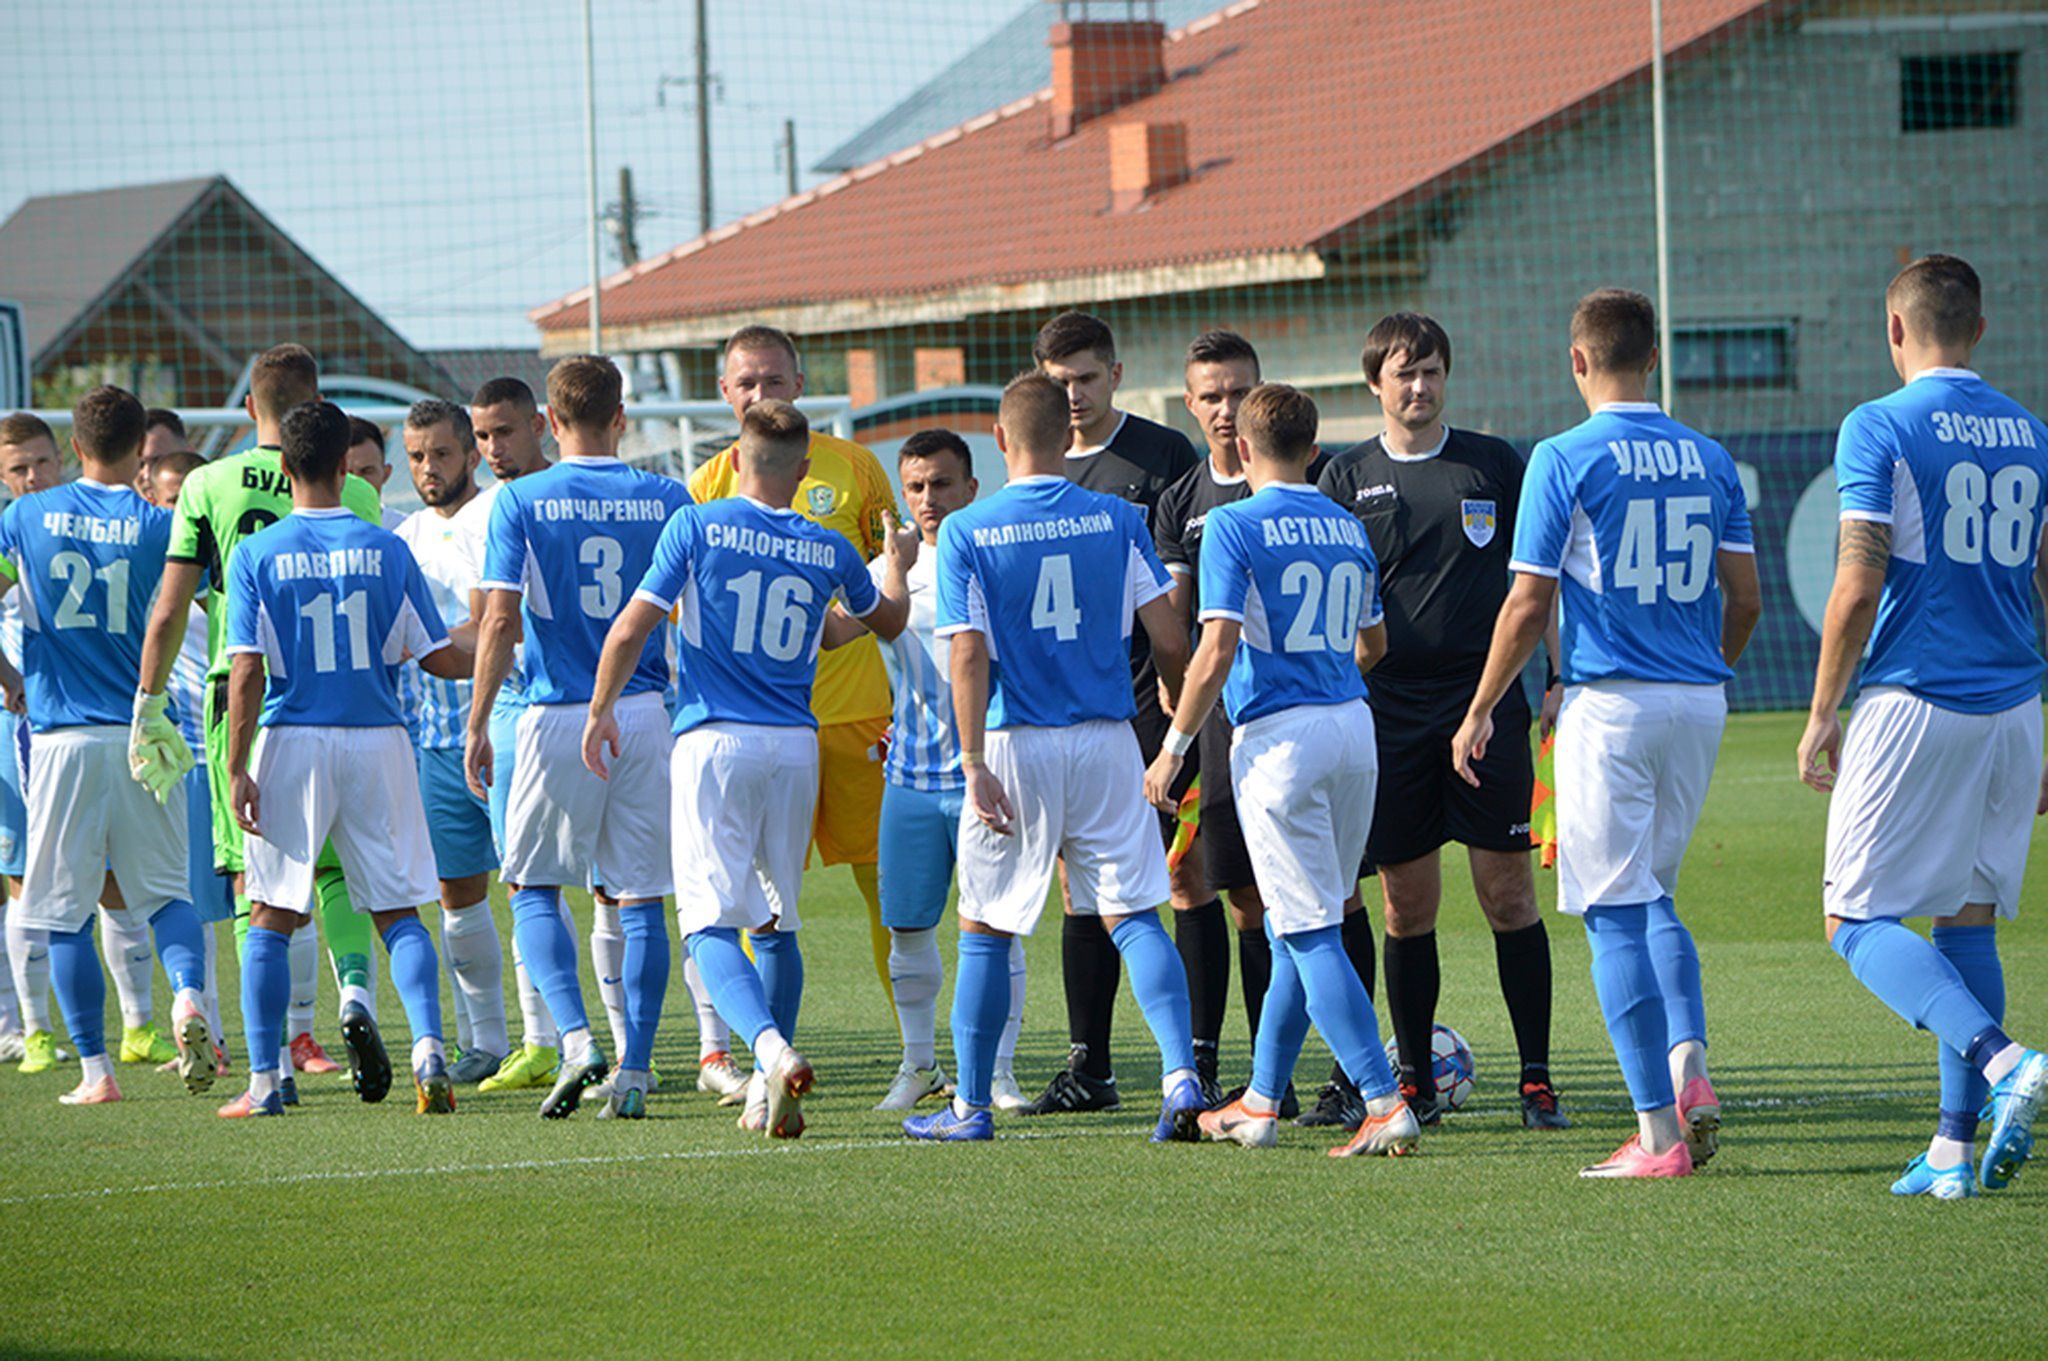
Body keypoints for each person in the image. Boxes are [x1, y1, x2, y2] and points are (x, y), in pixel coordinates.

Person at [1451, 288, 1761, 1178]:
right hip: (1698, 700)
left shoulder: (1563, 455)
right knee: (1654, 893)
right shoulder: (1711, 457)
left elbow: (1528, 602)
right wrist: (1702, 667)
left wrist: (1481, 707)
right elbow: (1744, 599)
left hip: (1613, 704)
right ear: (1653, 357)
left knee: (1613, 912)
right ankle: (1689, 1061)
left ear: (1578, 361)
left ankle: (1658, 1137)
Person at [1796, 254, 2048, 1198]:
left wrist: (1823, 709)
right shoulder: (2033, 434)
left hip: (1918, 699)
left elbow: (1858, 583)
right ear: (1978, 329)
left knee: (1854, 919)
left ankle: (2004, 1059)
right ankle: (1950, 1150)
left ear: (1894, 329)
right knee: (1966, 920)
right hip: (2015, 708)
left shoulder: (1880, 424)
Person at [589, 399, 910, 1134]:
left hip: (714, 740)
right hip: (795, 746)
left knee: (707, 923)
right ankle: (769, 1093)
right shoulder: (827, 546)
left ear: (735, 459)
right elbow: (873, 624)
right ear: (803, 470)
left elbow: (632, 627)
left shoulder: (696, 525)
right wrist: (893, 566)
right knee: (776, 921)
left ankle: (769, 1050)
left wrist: (601, 707)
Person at [904, 370, 1202, 1144]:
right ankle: (1180, 1076)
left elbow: (967, 653)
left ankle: (970, 1107)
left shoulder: (968, 529)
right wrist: (1176, 719)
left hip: (1015, 741)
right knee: (1133, 913)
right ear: (1068, 436)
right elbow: (1170, 638)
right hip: (1107, 737)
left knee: (985, 926)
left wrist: (972, 761)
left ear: (999, 439)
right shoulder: (1117, 518)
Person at [1144, 383, 1420, 1158]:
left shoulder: (1232, 523)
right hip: (1352, 727)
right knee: (1303, 920)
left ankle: (1382, 1100)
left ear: (1240, 448)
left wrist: (1173, 745)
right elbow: (1374, 644)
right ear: (1315, 447)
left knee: (1306, 927)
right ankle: (1262, 1100)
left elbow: (1216, 647)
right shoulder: (1346, 524)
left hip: (1280, 741)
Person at [1318, 313, 1569, 1131]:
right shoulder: (1345, 477)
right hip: (1387, 713)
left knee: (1509, 894)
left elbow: (1537, 582)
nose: (1419, 386)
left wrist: (1557, 673)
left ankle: (1536, 1080)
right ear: (1374, 385)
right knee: (1406, 905)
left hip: (1485, 704)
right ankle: (1416, 1082)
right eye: (1404, 373)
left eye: (1430, 371)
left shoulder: (1494, 464)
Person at [136, 343, 389, 1102]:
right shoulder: (357, 493)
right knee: (336, 871)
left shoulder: (207, 483)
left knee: (256, 886)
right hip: (338, 696)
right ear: (320, 405)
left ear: (251, 408)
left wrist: (148, 703)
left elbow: (171, 607)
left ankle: (269, 1069)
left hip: (242, 696)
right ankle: (354, 993)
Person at [222, 400, 469, 1118]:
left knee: (270, 913)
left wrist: (236, 766)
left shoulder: (257, 554)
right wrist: (499, 645)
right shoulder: (388, 548)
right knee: (399, 911)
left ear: (283, 466)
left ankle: (265, 1082)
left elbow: (246, 669)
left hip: (293, 737)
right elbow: (439, 657)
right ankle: (429, 1051)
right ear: (343, 466)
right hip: (377, 738)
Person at [468, 355, 690, 1120]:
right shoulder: (668, 497)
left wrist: (477, 720)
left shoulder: (519, 499)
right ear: (620, 417)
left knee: (532, 885)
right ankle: (636, 1065)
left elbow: (499, 619)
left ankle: (574, 1038)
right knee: (641, 895)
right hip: (645, 710)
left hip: (558, 712)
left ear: (551, 422)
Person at [0, 385, 215, 1105]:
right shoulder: (162, 525)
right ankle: (188, 997)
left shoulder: (25, 515)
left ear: (73, 448)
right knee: (167, 896)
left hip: (61, 738)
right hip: (143, 733)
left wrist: (8, 676)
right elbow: (202, 607)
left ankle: (96, 1072)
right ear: (139, 451)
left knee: (63, 913)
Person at [686, 326, 903, 1032]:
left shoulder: (855, 466)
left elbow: (893, 560)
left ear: (800, 385)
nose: (759, 394)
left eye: (773, 380)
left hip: (858, 713)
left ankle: (917, 1049)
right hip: (761, 724)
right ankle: (764, 1050)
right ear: (724, 391)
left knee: (888, 888)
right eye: (746, 382)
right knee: (758, 902)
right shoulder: (708, 484)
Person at [1152, 329, 1343, 1117]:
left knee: (1323, 903)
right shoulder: (1182, 501)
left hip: (1281, 721)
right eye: (1212, 395)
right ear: (1191, 404)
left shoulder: (1313, 485)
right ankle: (1245, 1071)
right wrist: (1181, 704)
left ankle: (1351, 1078)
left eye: (1239, 392)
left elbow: (1219, 639)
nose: (1226, 408)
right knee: (1231, 893)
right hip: (1223, 719)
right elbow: (1178, 621)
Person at [1031, 309, 1203, 1116]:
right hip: (1066, 707)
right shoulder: (1034, 465)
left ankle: (1198, 1055)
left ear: (1116, 375)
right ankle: (1090, 1062)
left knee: (1180, 875)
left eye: (1086, 378)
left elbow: (1182, 583)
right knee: (1080, 886)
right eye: (1058, 382)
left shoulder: (1163, 456)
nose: (1073, 394)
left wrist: (1179, 693)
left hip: (1150, 694)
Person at [831, 430, 1028, 1112]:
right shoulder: (889, 568)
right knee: (908, 926)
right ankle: (918, 1063)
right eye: (914, 486)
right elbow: (834, 632)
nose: (928, 498)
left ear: (972, 487)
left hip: (986, 776)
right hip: (910, 780)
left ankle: (998, 1072)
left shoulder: (997, 557)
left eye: (941, 484)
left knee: (994, 928)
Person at [394, 400, 507, 1084]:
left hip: (504, 730)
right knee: (456, 892)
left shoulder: (497, 515)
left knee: (533, 886)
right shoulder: (403, 535)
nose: (428, 468)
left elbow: (494, 625)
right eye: (416, 456)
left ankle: (555, 1039)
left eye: (440, 453)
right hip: (433, 740)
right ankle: (486, 1041)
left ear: (470, 453)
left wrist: (425, 645)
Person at [143, 451, 234, 1077]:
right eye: (168, 501)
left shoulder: (212, 570)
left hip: (225, 747)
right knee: (190, 902)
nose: (178, 513)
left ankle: (296, 1037)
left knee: (262, 899)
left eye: (186, 503)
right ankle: (211, 1038)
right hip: (182, 756)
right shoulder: (153, 567)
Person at [0, 413, 66, 1072]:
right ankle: (29, 1029)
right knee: (22, 875)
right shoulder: (10, 532)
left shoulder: (71, 527)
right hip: (17, 722)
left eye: (42, 462)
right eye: (18, 468)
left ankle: (136, 1023)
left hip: (73, 722)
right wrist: (9, 678)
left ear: (62, 459)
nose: (33, 477)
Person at [345, 417, 407, 530]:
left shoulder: (407, 531)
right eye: (347, 474)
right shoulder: (314, 532)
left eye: (366, 472)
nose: (357, 482)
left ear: (386, 474)